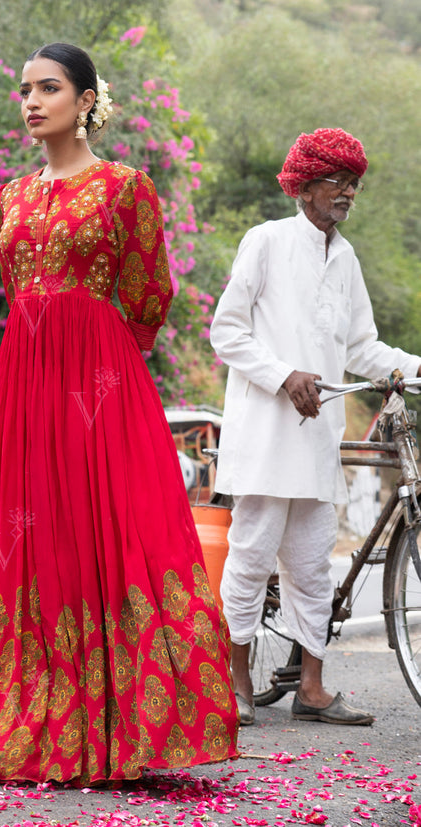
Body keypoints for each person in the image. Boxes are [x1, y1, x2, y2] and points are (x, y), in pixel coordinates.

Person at [0, 42, 238, 784]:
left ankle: (127, 726)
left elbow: (147, 295)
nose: (32, 101)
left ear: (87, 98)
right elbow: (15, 287)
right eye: (25, 90)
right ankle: (38, 713)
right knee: (37, 543)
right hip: (25, 386)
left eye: (50, 88)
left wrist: (99, 367)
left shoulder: (126, 188)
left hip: (101, 383)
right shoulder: (10, 196)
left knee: (115, 532)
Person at [210, 127, 421, 728]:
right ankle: (238, 683)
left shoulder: (345, 257)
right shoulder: (267, 241)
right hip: (265, 433)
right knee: (251, 559)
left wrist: (415, 366)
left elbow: (362, 346)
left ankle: (313, 688)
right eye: (336, 180)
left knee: (310, 565)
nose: (347, 191)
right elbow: (227, 332)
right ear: (303, 186)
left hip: (316, 438)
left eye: (354, 182)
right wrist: (284, 376)